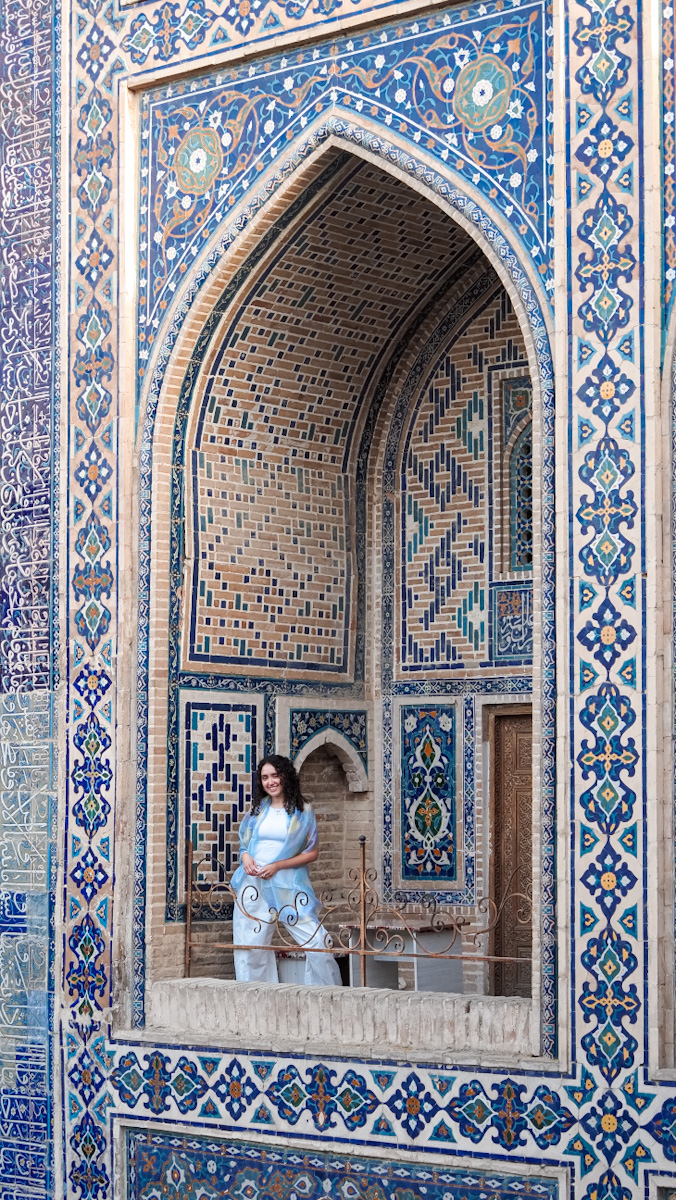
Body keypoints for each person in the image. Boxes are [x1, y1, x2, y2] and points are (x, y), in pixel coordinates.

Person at [230, 754, 342, 985]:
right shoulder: (257, 810)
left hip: (287, 884)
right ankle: (256, 999)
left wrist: (277, 866)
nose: (270, 782)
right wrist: (246, 857)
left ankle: (328, 995)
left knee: (316, 941)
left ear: (285, 777)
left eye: (275, 775)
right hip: (253, 885)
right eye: (264, 777)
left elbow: (312, 852)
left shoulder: (303, 811)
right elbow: (244, 843)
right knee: (251, 946)